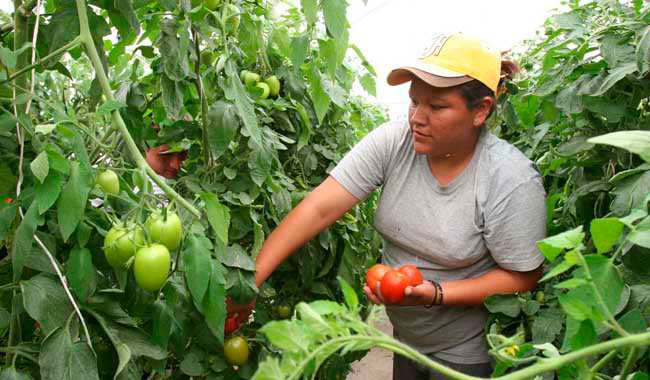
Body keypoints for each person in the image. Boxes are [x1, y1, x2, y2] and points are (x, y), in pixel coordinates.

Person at [227, 33, 546, 379]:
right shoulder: (395, 142)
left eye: (436, 107)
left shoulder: (509, 179)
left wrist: (435, 294)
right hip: (406, 338)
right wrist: (252, 282)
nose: (416, 118)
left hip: (468, 350)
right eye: (414, 102)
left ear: (480, 110)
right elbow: (319, 208)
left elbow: (522, 276)